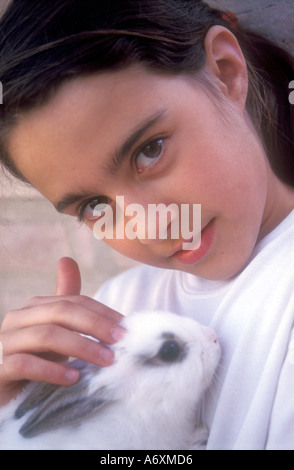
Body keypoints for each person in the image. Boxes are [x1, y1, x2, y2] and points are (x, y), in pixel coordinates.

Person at [0, 0, 294, 450]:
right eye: (94, 204)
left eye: (149, 150)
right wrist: (12, 419)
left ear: (226, 71)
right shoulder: (116, 310)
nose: (148, 227)